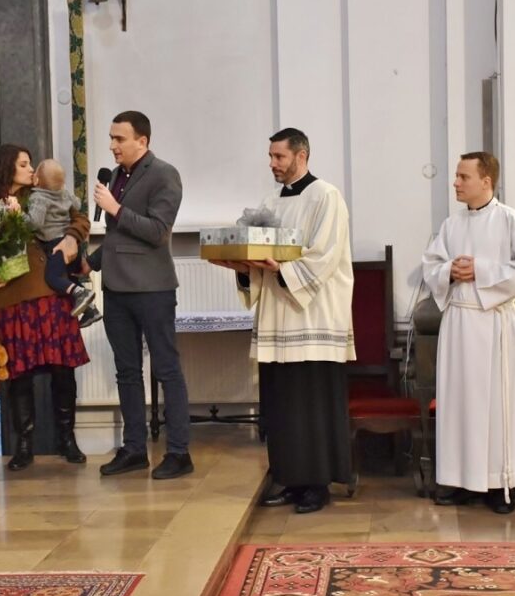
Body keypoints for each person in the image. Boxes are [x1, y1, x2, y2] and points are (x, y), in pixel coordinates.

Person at [211, 127, 354, 514]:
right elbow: (262, 261)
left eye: (280, 157)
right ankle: (290, 479)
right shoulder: (269, 202)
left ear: (301, 155)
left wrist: (281, 269)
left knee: (312, 403)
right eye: (271, 157)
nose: (273, 164)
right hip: (277, 318)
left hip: (312, 317)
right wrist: (244, 269)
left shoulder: (326, 196)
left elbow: (324, 256)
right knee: (282, 404)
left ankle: (317, 485)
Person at [422, 152, 515, 514]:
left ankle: (499, 483)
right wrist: (448, 271)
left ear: (486, 181)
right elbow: (431, 266)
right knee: (459, 404)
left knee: (497, 406)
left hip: (494, 324)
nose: (456, 183)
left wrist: (482, 270)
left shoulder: (512, 221)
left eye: (463, 177)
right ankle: (461, 480)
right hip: (459, 324)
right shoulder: (451, 224)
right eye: (457, 176)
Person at [81, 110, 194, 480]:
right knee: (127, 371)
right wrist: (90, 263)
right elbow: (118, 237)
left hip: (152, 289)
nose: (112, 145)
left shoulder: (164, 174)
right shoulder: (116, 175)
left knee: (166, 369)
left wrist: (115, 208)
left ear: (141, 141)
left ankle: (178, 452)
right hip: (116, 288)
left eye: (120, 139)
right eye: (111, 138)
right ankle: (133, 449)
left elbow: (157, 232)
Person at [0, 143, 90, 470]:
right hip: (11, 300)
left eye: (31, 164)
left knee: (62, 369)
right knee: (19, 375)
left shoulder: (43, 193)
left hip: (50, 295)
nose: (31, 170)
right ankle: (24, 445)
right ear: (6, 168)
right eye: (24, 164)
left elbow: (80, 218)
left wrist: (72, 237)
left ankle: (67, 439)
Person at [27, 158, 101, 327]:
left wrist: (18, 216)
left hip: (56, 246)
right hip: (73, 247)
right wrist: (62, 191)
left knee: (52, 278)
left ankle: (81, 293)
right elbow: (77, 204)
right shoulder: (64, 193)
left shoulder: (38, 197)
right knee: (68, 277)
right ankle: (91, 310)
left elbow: (35, 223)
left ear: (37, 180)